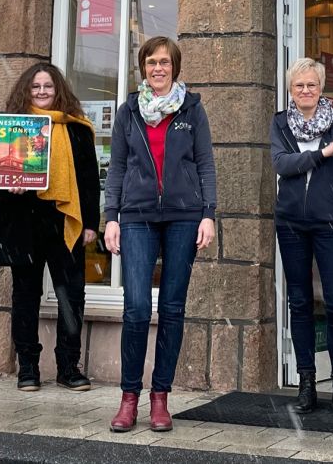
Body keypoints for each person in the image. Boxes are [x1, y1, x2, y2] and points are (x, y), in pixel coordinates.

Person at [105, 36, 216, 433]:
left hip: (184, 217)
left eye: (164, 62)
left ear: (175, 67)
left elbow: (205, 163)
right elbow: (117, 167)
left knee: (172, 308)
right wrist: (111, 217)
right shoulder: (128, 111)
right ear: (143, 67)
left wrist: (208, 214)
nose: (158, 68)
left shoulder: (192, 109)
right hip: (136, 216)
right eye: (151, 62)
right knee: (136, 307)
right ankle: (128, 397)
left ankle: (160, 398)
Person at [0, 63, 100, 392]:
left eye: (47, 86)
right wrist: (9, 183)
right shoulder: (12, 127)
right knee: (25, 296)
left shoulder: (78, 128)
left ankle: (68, 367)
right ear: (26, 90)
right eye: (35, 86)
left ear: (58, 90)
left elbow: (89, 180)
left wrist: (90, 223)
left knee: (71, 295)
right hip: (22, 220)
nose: (41, 92)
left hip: (65, 221)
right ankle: (28, 368)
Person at [269, 58, 333, 418]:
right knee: (300, 303)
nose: (305, 90)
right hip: (291, 223)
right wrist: (323, 153)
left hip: (331, 223)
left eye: (311, 85)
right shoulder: (280, 122)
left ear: (321, 88)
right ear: (291, 90)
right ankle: (306, 384)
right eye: (299, 85)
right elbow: (282, 164)